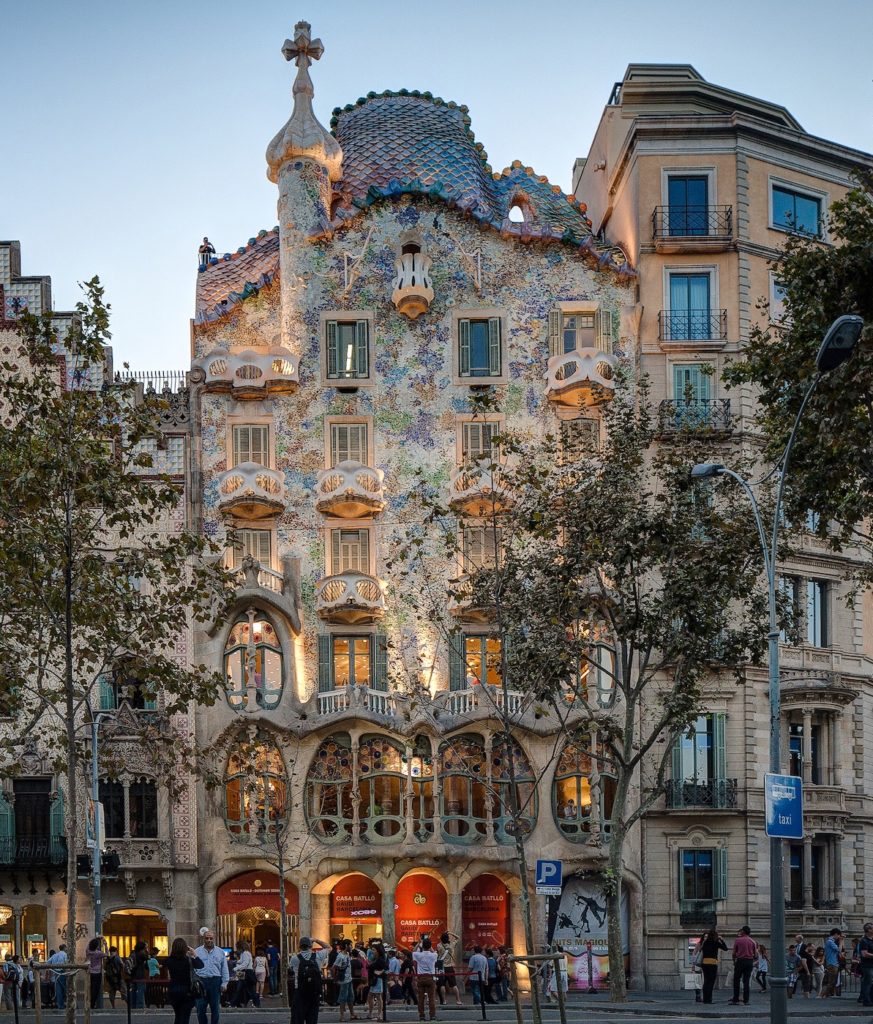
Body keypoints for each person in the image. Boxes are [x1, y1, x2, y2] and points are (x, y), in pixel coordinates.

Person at [194, 928, 229, 1024]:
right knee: (200, 1009)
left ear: (214, 939)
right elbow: (193, 969)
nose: (209, 940)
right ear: (203, 939)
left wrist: (225, 983)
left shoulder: (220, 952)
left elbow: (224, 969)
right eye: (207, 938)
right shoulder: (197, 951)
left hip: (215, 981)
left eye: (211, 938)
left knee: (215, 1009)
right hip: (201, 982)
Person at [167, 937, 205, 1024]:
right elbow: (201, 965)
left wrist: (173, 952)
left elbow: (168, 961)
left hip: (173, 991)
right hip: (187, 992)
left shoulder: (169, 961)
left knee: (178, 1016)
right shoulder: (188, 960)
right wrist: (194, 954)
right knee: (185, 1017)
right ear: (185, 948)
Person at [290, 937, 327, 1024]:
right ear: (310, 946)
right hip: (314, 993)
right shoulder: (318, 956)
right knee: (312, 1019)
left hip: (300, 992)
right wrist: (316, 940)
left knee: (298, 1019)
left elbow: (291, 970)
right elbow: (328, 947)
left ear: (300, 946)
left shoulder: (294, 958)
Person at [696, 928, 726, 1005]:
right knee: (711, 982)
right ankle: (709, 999)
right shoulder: (716, 942)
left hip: (704, 963)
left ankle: (705, 999)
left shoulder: (705, 942)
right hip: (712, 963)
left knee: (706, 981)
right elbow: (725, 948)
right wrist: (721, 940)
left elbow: (701, 951)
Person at [412, 937, 437, 1023]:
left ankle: (422, 1016)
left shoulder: (418, 955)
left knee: (421, 999)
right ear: (430, 946)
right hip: (430, 978)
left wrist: (419, 944)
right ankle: (432, 1016)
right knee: (431, 998)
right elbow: (433, 951)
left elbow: (413, 952)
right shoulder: (434, 955)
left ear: (422, 946)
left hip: (421, 978)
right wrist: (430, 946)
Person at [436, 932, 462, 1007]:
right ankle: (458, 1000)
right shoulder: (452, 945)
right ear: (448, 939)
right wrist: (450, 933)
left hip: (441, 967)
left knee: (442, 985)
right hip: (450, 967)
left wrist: (442, 938)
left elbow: (438, 951)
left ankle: (444, 1001)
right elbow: (458, 938)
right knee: (454, 985)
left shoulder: (439, 946)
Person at [334, 939, 357, 1022]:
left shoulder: (347, 954)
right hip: (343, 980)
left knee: (351, 997)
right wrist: (335, 978)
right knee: (343, 998)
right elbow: (334, 967)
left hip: (349, 979)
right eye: (350, 945)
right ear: (346, 946)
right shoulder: (340, 956)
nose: (351, 947)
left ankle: (352, 1014)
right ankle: (342, 1016)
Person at [231, 940, 259, 1008]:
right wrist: (237, 962)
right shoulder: (245, 953)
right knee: (243, 989)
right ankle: (235, 1003)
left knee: (242, 989)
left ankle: (234, 1003)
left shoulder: (245, 953)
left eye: (237, 947)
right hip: (245, 972)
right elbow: (243, 962)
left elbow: (245, 964)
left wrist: (236, 968)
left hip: (246, 972)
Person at [367, 942, 387, 1022]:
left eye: (374, 950)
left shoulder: (381, 959)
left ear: (378, 950)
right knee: (370, 996)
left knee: (378, 997)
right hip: (373, 979)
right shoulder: (375, 958)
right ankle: (371, 1013)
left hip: (377, 979)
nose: (372, 951)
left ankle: (379, 1014)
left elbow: (386, 967)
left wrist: (380, 972)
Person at [86, 936, 107, 1008]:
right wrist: (105, 944)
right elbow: (107, 954)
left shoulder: (88, 951)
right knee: (96, 989)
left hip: (90, 972)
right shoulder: (99, 953)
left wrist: (95, 938)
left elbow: (89, 944)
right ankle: (92, 1004)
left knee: (90, 988)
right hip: (97, 972)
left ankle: (89, 1003)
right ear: (97, 946)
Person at [821, 928, 843, 997]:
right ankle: (823, 995)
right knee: (831, 982)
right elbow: (839, 949)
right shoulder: (830, 941)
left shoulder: (829, 941)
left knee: (830, 981)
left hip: (831, 963)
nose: (839, 937)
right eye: (839, 935)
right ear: (836, 934)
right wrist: (841, 941)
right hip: (833, 964)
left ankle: (824, 995)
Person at [47, 944, 68, 1011]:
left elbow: (48, 962)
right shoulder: (64, 954)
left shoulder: (55, 955)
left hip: (56, 973)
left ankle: (60, 1005)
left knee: (58, 990)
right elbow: (65, 963)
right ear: (64, 948)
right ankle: (68, 1004)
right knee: (65, 989)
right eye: (66, 947)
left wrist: (53, 968)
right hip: (62, 972)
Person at [129, 940, 150, 1009]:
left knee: (134, 990)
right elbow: (148, 957)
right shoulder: (141, 954)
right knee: (141, 990)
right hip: (140, 975)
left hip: (133, 974)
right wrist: (147, 950)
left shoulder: (133, 953)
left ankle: (133, 1005)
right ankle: (140, 1006)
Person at [858, 922, 873, 1006]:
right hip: (867, 966)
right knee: (868, 982)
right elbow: (864, 954)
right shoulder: (864, 940)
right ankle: (866, 1001)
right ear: (869, 930)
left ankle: (871, 999)